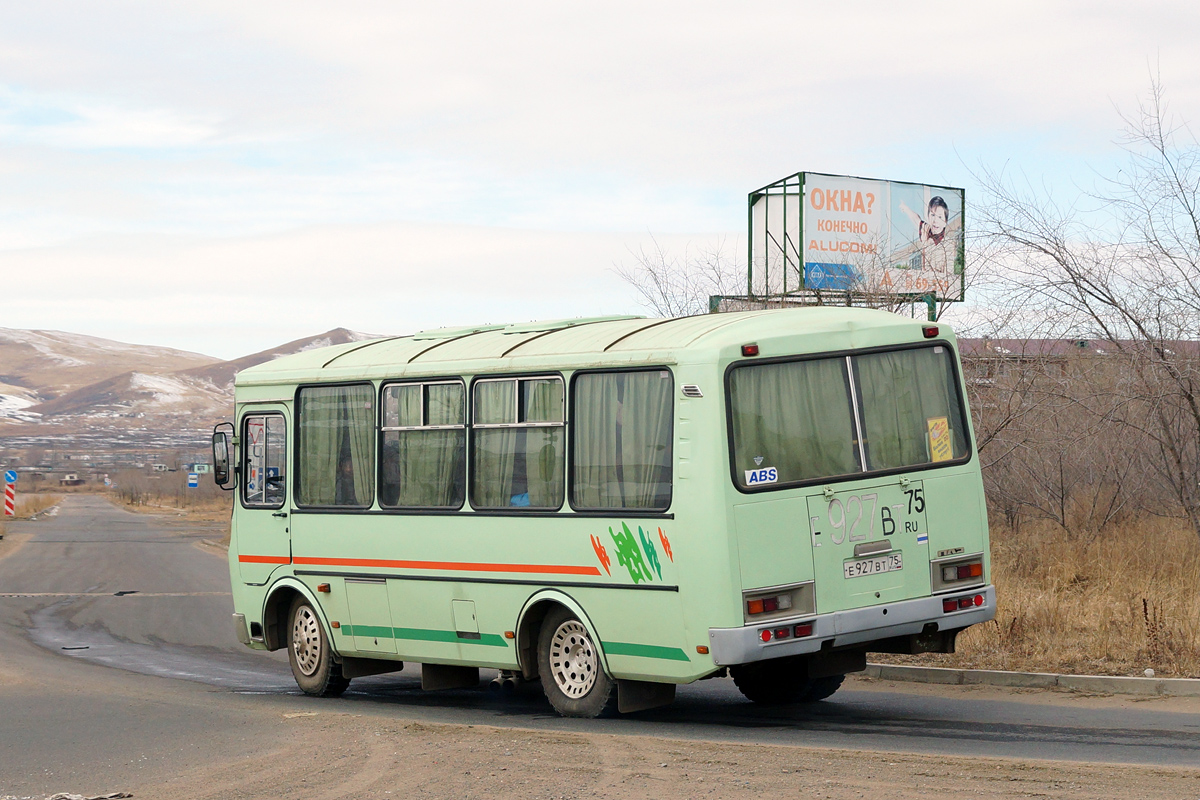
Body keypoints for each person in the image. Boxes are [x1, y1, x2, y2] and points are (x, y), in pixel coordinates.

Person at [897, 195, 955, 273]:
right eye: (933, 215)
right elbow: (916, 219)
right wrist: (905, 208)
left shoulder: (948, 244)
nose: (935, 220)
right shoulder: (927, 230)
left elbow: (949, 275)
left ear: (945, 222)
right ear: (928, 216)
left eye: (940, 217)